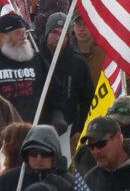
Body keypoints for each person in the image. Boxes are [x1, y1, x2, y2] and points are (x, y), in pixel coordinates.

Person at [0, 13, 55, 123]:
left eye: (25, 33)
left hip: (34, 129)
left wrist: (56, 114)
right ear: (2, 37)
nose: (24, 38)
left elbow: (54, 88)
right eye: (18, 33)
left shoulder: (36, 59)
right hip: (0, 131)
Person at [40, 12, 93, 142]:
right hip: (38, 128)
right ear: (47, 33)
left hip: (68, 132)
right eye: (54, 32)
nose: (58, 37)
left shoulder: (79, 64)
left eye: (62, 33)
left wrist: (80, 129)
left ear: (68, 36)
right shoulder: (35, 60)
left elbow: (88, 100)